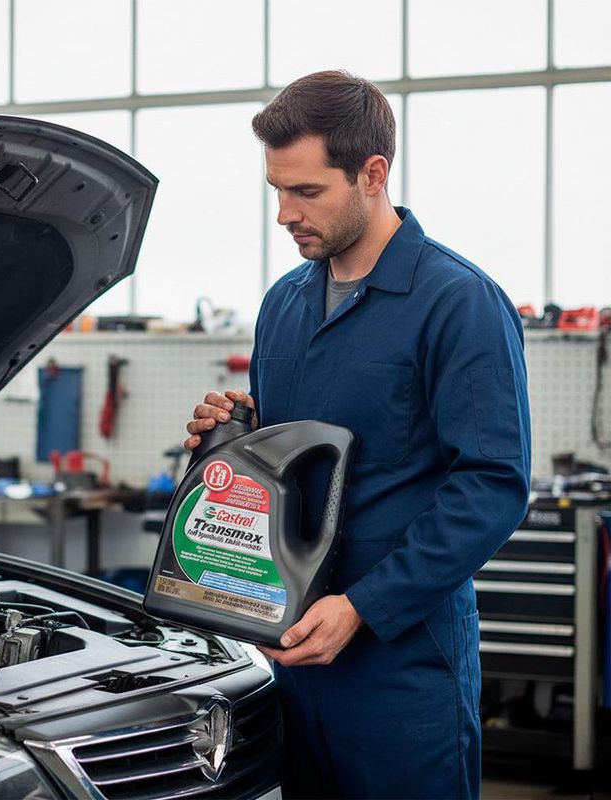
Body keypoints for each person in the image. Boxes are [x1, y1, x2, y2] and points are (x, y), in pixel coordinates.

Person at [184, 70, 531, 799]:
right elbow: (286, 468)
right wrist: (228, 442)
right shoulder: (284, 304)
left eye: (307, 192)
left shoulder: (458, 302)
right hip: (289, 652)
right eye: (276, 189)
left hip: (400, 665)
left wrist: (365, 607)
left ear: (373, 174)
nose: (284, 213)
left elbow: (492, 488)